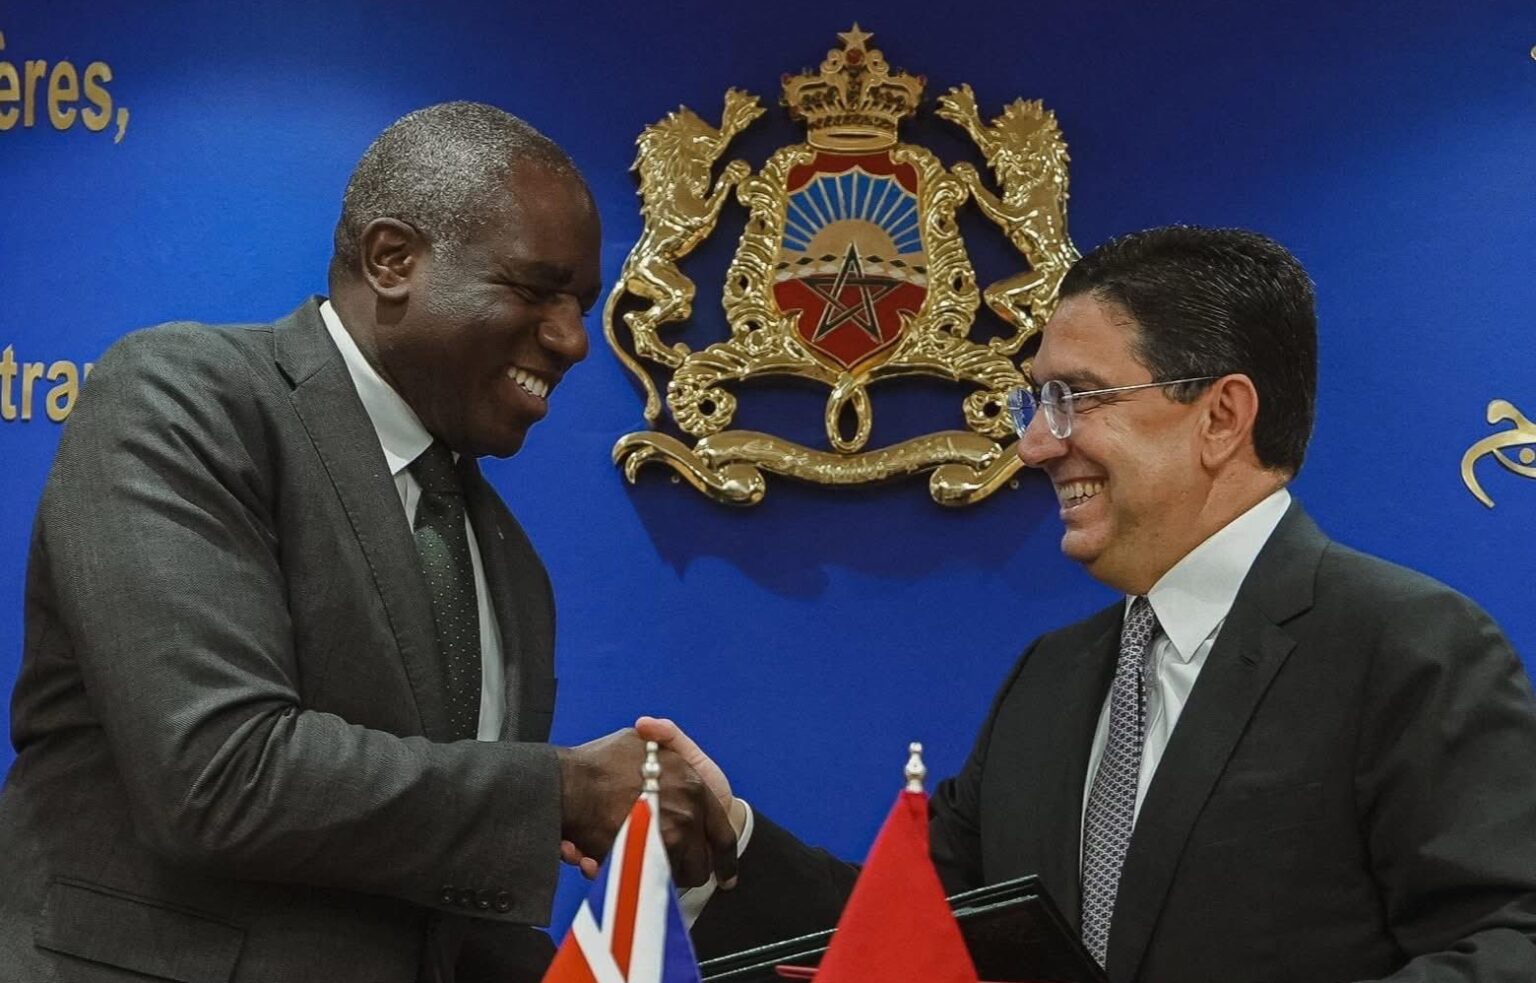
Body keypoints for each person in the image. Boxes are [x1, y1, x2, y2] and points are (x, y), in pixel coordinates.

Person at [648, 227, 1536, 981]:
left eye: (1073, 398)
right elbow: (909, 931)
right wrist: (723, 839)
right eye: (1036, 402)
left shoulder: (1408, 648)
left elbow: (1509, 943)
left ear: (1221, 416)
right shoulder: (1051, 679)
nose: (1036, 443)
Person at [0, 101, 736, 983]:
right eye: (537, 289)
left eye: (579, 305)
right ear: (393, 260)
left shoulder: (510, 561)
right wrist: (566, 790)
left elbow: (434, 906)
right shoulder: (185, 399)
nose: (574, 340)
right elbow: (216, 775)